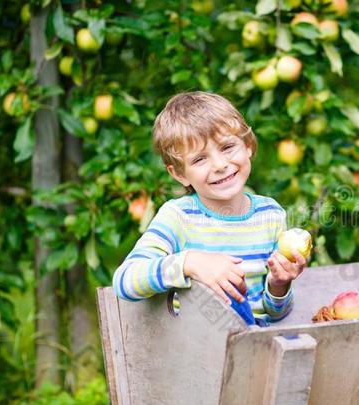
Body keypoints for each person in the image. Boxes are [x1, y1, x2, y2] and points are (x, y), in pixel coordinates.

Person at [112, 91, 307, 325]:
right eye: (199, 159)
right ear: (180, 174)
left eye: (227, 147)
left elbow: (275, 313)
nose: (220, 165)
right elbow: (124, 280)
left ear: (248, 146)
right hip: (196, 350)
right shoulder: (178, 217)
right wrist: (189, 263)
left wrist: (279, 285)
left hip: (257, 349)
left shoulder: (270, 215)